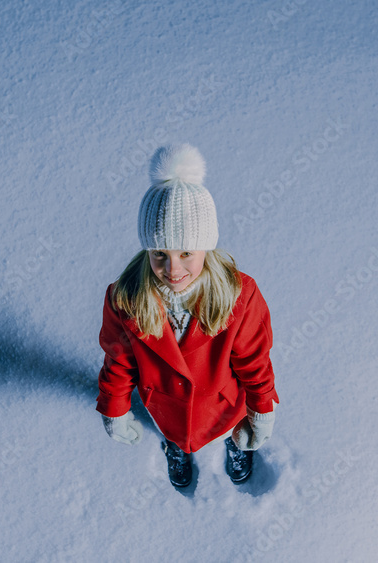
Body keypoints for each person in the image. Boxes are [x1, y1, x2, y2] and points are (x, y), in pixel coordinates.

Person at [96, 143, 279, 488]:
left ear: (205, 248)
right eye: (160, 253)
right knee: (176, 431)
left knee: (228, 427)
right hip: (167, 409)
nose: (172, 268)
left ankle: (232, 441)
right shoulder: (125, 298)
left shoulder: (239, 295)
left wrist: (261, 410)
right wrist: (114, 408)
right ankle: (177, 446)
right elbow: (119, 362)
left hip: (223, 404)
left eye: (186, 253)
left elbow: (255, 361)